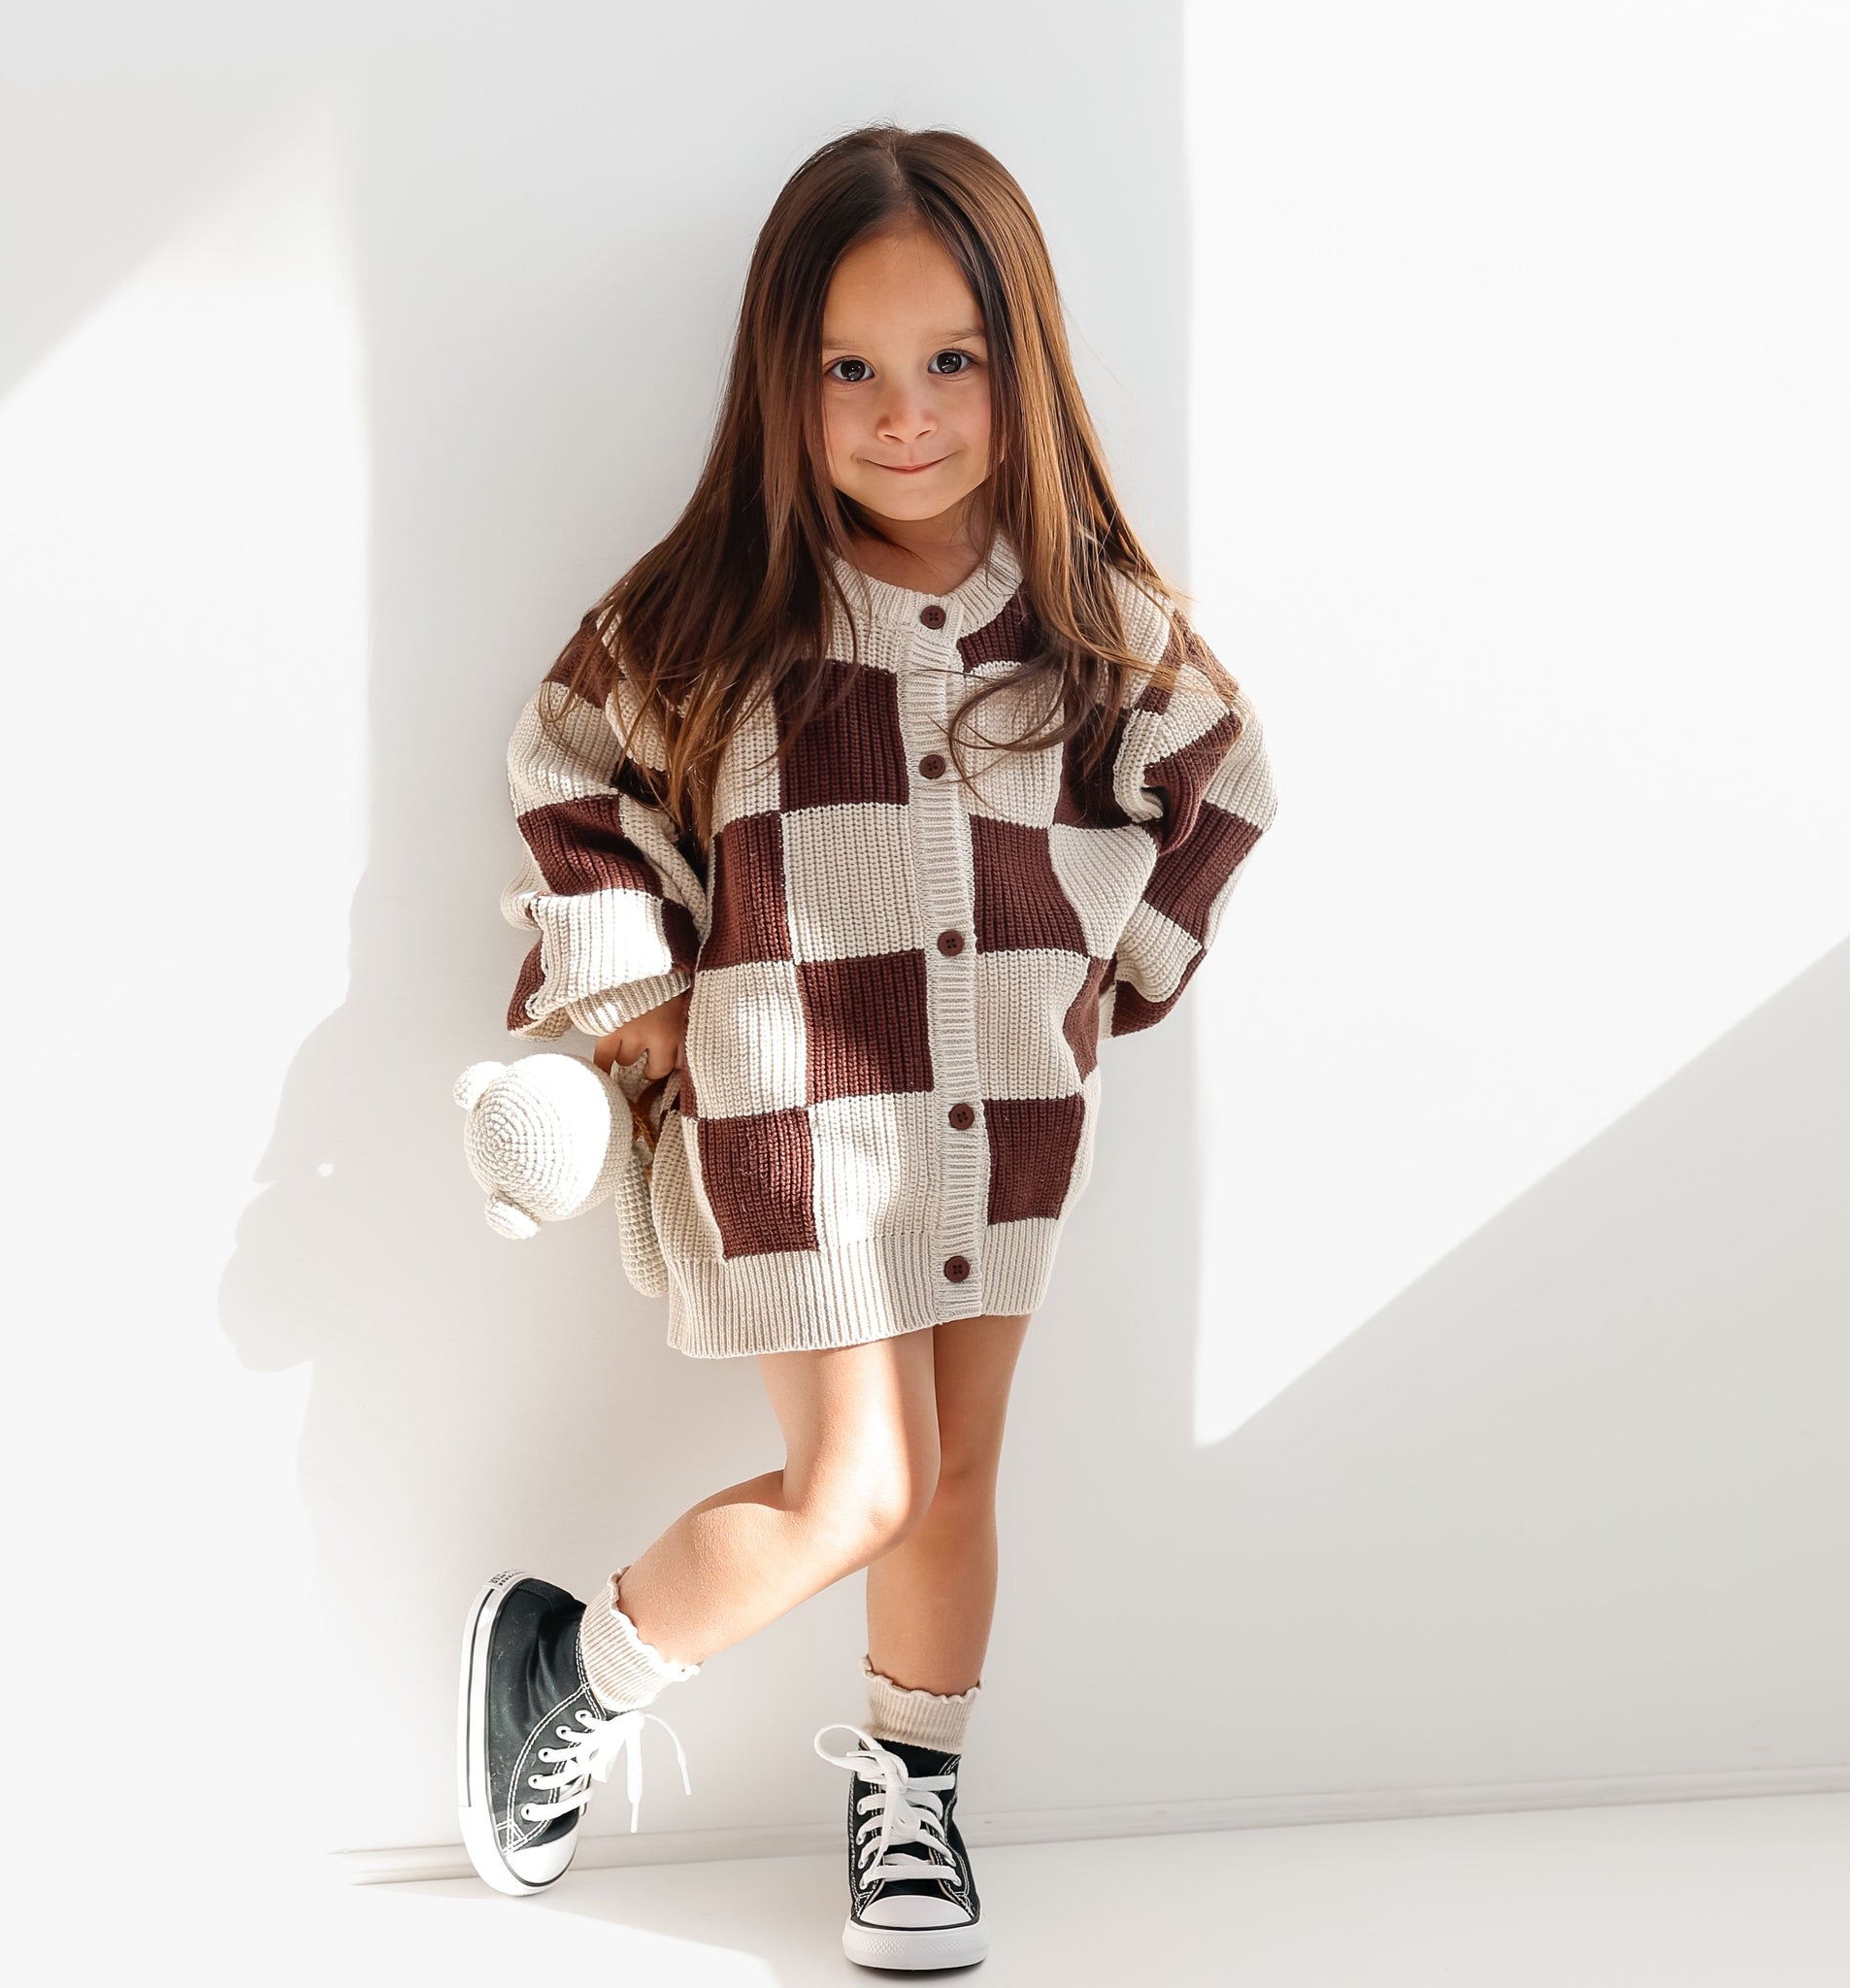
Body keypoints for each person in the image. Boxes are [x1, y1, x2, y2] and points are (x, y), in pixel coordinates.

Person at [458, 121, 1277, 1972]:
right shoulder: (719, 611)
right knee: (863, 1486)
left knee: (957, 1481)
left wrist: (1113, 977)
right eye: (851, 369)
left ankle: (912, 1794)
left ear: (1018, 364)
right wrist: (638, 995)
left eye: (950, 360)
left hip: (1006, 1111)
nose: (905, 415)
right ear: (786, 377)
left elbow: (1227, 775)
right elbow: (566, 768)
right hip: (792, 1107)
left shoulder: (1086, 620)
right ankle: (568, 1663)